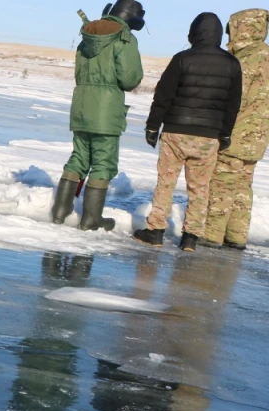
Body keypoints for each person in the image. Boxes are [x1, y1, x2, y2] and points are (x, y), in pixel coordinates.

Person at [133, 12, 243, 252]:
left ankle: (155, 231)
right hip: (209, 135)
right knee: (200, 188)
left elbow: (163, 96)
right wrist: (224, 134)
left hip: (176, 132)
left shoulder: (182, 58)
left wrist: (153, 126)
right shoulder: (232, 64)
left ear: (194, 32)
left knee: (166, 183)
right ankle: (190, 237)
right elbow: (232, 105)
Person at [50, 0, 145, 232]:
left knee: (79, 157)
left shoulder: (87, 35)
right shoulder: (124, 39)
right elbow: (129, 79)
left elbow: (79, 73)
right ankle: (91, 219)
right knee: (103, 163)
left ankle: (59, 212)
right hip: (106, 109)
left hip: (82, 105)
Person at [204, 9, 269, 250]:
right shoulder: (265, 55)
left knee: (222, 183)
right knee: (243, 188)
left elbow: (233, 99)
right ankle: (237, 235)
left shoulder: (245, 60)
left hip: (236, 134)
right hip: (258, 138)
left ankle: (212, 234)